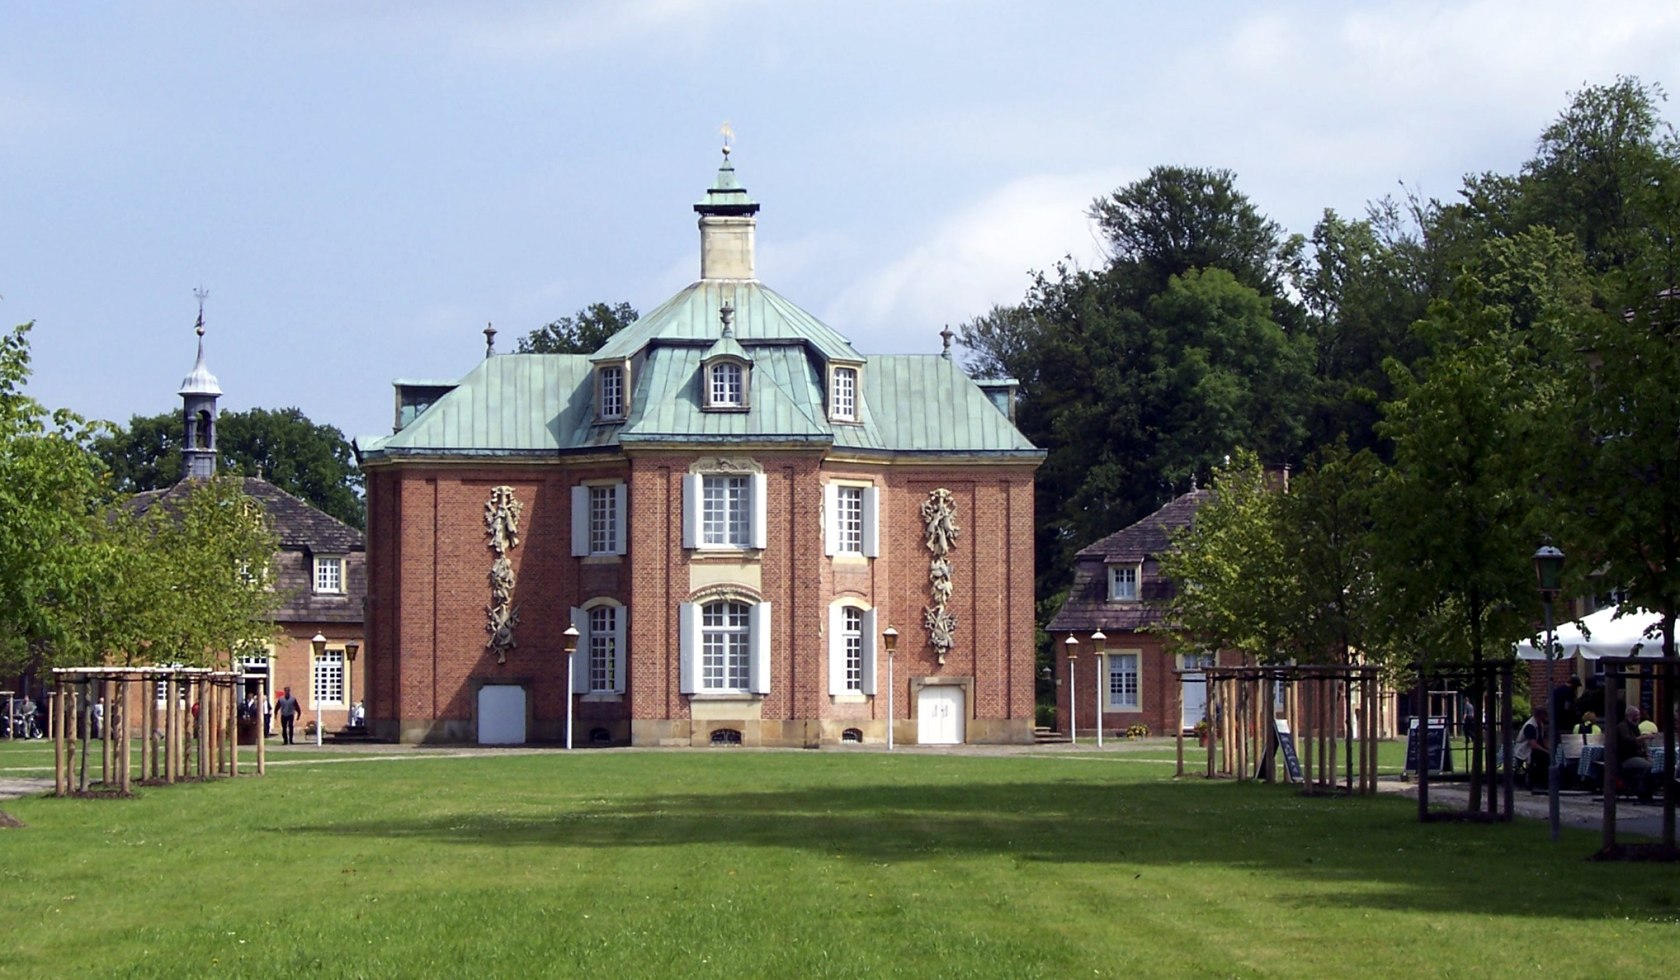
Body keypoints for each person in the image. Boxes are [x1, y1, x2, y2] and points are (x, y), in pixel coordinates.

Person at [1614, 707, 1655, 803]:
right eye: (1636, 715)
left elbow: (1642, 746)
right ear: (1629, 716)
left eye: (1639, 715)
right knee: (1649, 767)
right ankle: (1642, 791)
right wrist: (1644, 737)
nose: (1638, 717)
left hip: (1636, 756)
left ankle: (1646, 790)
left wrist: (1647, 755)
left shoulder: (1634, 727)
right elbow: (1629, 742)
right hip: (1626, 758)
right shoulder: (1622, 727)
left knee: (1654, 766)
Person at [1515, 706, 1549, 792]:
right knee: (1543, 757)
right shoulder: (1530, 726)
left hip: (1534, 749)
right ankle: (1537, 781)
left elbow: (1543, 740)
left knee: (1546, 757)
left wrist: (1549, 749)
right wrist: (1545, 751)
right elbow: (1532, 744)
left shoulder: (1540, 725)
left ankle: (1544, 781)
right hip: (1525, 750)